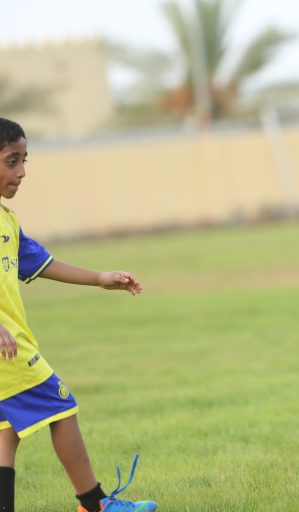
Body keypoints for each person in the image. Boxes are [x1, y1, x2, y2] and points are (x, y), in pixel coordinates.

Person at [0, 118, 157, 512]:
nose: (21, 172)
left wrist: (99, 278)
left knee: (5, 433)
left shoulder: (7, 220)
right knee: (61, 407)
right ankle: (95, 504)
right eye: (11, 161)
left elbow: (42, 263)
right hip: (9, 350)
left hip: (8, 345)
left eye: (23, 161)